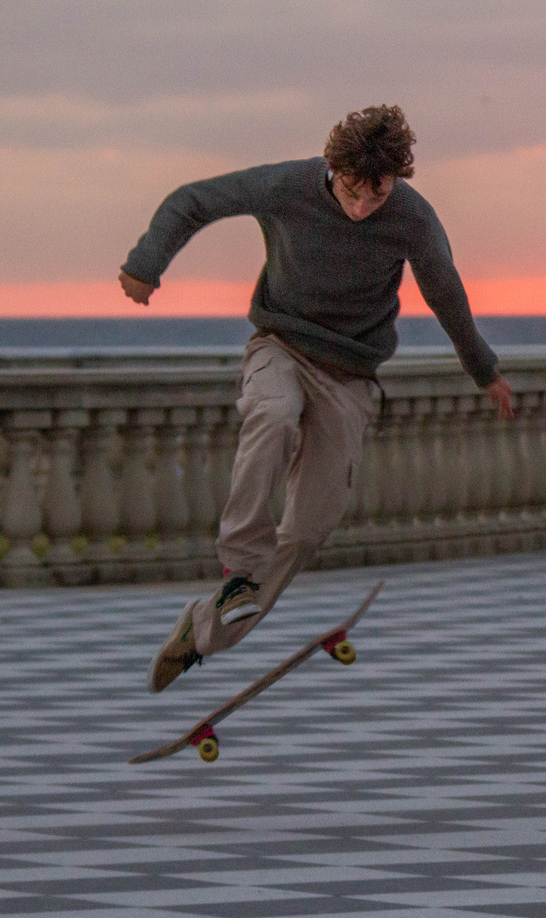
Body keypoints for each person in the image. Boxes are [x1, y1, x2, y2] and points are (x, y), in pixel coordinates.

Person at [120, 105, 513, 693]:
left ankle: (202, 633)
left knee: (308, 530)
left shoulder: (412, 218)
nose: (360, 208)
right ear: (332, 167)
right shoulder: (285, 186)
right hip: (279, 346)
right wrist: (147, 262)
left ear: (397, 180)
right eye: (351, 192)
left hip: (349, 376)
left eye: (375, 196)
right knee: (273, 415)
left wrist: (485, 371)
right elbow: (193, 199)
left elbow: (447, 294)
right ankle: (241, 568)